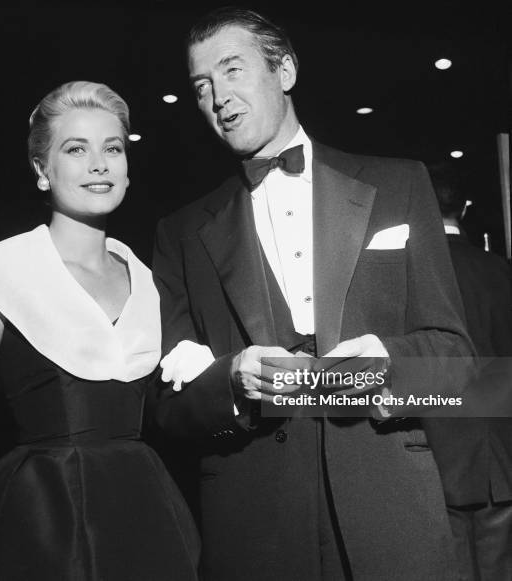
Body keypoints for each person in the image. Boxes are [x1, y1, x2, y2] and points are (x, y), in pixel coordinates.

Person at [151, 7, 474, 581]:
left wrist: (387, 368)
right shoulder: (181, 233)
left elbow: (461, 371)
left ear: (286, 72)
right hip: (254, 529)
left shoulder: (397, 186)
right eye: (202, 87)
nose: (218, 98)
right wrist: (231, 382)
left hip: (391, 516)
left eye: (232, 70)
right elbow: (167, 412)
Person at [0, 81, 199, 581]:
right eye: (76, 149)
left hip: (146, 515)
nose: (99, 163)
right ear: (41, 170)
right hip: (39, 523)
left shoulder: (148, 278)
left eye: (112, 148)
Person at [423, 163, 512, 581]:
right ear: (467, 206)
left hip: (439, 455)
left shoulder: (415, 274)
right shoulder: (500, 270)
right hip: (502, 456)